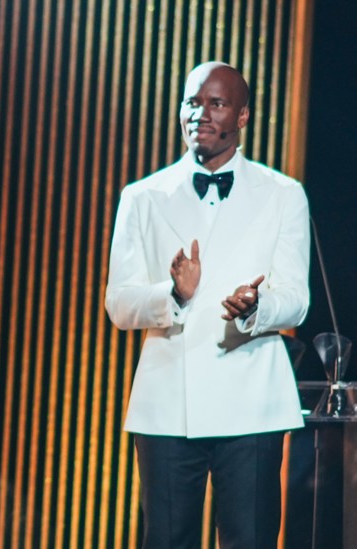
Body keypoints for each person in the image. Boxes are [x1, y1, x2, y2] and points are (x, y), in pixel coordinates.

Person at [105, 61, 310, 548]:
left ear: (241, 117)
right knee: (167, 539)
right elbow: (119, 303)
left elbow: (296, 300)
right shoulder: (143, 196)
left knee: (251, 538)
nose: (200, 114)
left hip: (252, 402)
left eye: (216, 103)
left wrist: (255, 307)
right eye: (192, 103)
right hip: (168, 404)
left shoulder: (284, 194)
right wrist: (174, 294)